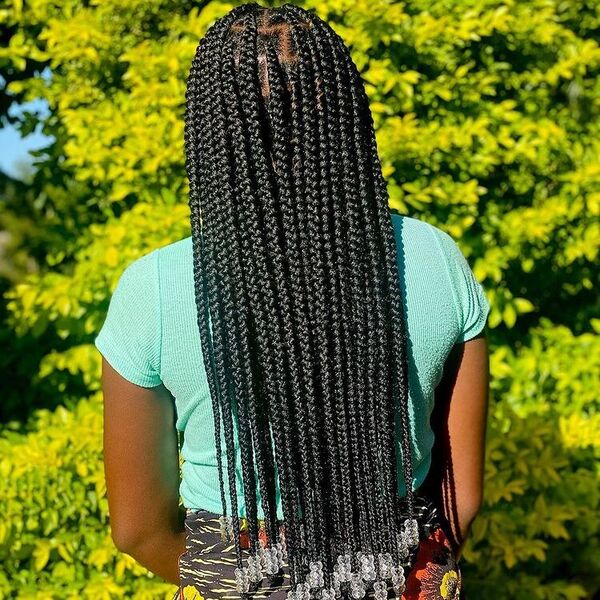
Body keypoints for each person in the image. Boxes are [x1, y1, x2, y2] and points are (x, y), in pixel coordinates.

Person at [95, 3, 491, 599]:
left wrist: (240, 582)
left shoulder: (153, 288)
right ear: (345, 116)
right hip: (401, 575)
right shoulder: (433, 257)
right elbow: (464, 494)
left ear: (210, 132)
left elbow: (138, 529)